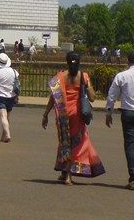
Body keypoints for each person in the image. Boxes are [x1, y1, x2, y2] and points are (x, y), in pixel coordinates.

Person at [41, 51, 105, 184]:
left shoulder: (60, 77)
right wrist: (87, 88)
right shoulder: (84, 76)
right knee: (77, 144)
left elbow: (53, 98)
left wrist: (46, 114)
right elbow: (92, 98)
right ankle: (69, 175)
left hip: (62, 114)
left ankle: (65, 172)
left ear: (67, 62)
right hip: (77, 114)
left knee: (65, 142)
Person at [104, 48, 134, 190]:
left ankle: (133, 177)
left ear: (128, 61)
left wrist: (109, 112)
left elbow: (112, 95)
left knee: (129, 144)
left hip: (128, 112)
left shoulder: (122, 76)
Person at [0, 52, 19, 142]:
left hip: (0, 96)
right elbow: (17, 84)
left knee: (3, 116)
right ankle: (3, 136)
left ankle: (8, 134)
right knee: (7, 116)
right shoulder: (14, 72)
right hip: (11, 96)